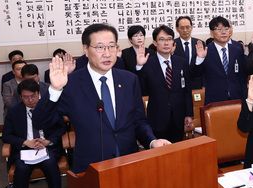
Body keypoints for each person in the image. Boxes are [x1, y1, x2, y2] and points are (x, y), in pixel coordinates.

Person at [32, 23, 171, 173]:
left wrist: (152, 141)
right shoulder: (71, 84)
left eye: (112, 46)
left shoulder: (129, 80)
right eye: (99, 47)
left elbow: (138, 120)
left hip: (129, 162)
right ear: (86, 49)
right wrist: (55, 89)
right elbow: (40, 121)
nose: (107, 53)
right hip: (90, 168)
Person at [2, 79, 68, 188]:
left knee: (51, 164)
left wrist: (49, 141)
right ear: (20, 97)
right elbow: (6, 136)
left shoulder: (49, 108)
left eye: (33, 96)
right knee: (21, 169)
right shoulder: (14, 112)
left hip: (47, 149)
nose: (30, 100)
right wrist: (25, 142)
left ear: (39, 94)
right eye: (25, 97)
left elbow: (61, 128)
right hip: (25, 151)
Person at [136, 25, 193, 142]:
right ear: (155, 43)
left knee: (178, 152)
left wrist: (188, 114)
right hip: (157, 117)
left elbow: (187, 90)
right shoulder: (147, 63)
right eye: (162, 39)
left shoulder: (181, 62)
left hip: (178, 117)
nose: (166, 43)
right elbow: (140, 88)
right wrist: (139, 67)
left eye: (169, 39)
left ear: (173, 42)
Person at [194, 16, 247, 104]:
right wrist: (200, 59)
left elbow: (244, 73)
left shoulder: (237, 49)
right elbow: (195, 74)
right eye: (219, 29)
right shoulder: (205, 51)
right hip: (215, 99)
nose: (223, 32)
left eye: (226, 29)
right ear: (211, 33)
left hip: (237, 97)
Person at [173, 16, 204, 89]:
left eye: (187, 27)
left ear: (191, 27)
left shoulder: (200, 43)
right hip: (178, 85)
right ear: (177, 29)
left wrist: (204, 84)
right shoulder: (172, 44)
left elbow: (204, 66)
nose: (185, 30)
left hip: (196, 84)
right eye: (182, 28)